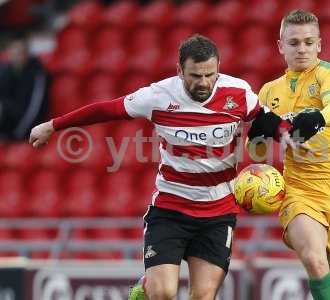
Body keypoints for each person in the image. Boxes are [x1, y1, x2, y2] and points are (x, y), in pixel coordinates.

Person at [29, 35, 295, 300]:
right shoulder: (158, 96)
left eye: (209, 75)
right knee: (163, 293)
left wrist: (286, 134)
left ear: (218, 67)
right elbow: (105, 110)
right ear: (179, 70)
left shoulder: (237, 93)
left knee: (204, 296)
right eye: (195, 75)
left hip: (218, 213)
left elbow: (266, 119)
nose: (203, 83)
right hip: (171, 209)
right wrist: (53, 125)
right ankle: (146, 286)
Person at [247, 10, 330, 300]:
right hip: (300, 190)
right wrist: (259, 134)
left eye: (309, 42)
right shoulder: (269, 91)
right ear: (280, 46)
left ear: (320, 45)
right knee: (313, 259)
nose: (302, 49)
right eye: (294, 42)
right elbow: (256, 153)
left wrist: (317, 119)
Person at [0, 37, 49, 140]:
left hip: (27, 131)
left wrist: (17, 135)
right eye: (14, 53)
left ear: (27, 54)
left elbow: (33, 110)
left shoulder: (37, 74)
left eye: (21, 53)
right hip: (7, 129)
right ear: (8, 53)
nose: (17, 57)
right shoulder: (4, 71)